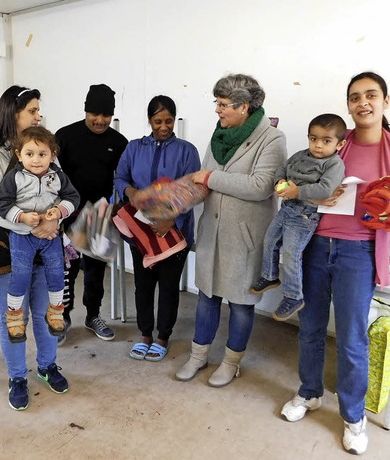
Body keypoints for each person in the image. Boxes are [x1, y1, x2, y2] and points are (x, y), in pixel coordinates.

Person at [280, 72, 390, 456]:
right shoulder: (331, 144)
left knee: (352, 339)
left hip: (359, 254)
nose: (363, 103)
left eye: (371, 95)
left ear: (385, 101)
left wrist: (388, 208)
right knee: (309, 328)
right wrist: (310, 195)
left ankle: (353, 416)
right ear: (348, 105)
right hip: (314, 248)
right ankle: (309, 393)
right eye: (355, 97)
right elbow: (289, 186)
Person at [175, 74, 287, 387]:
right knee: (207, 297)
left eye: (223, 105)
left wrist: (208, 178)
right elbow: (202, 180)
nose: (218, 110)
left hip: (245, 236)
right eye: (218, 103)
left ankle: (230, 362)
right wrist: (176, 196)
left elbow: (261, 186)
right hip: (212, 229)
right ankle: (198, 356)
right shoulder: (219, 136)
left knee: (240, 303)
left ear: (244, 107)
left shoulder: (272, 139)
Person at [0, 86, 69, 411]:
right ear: (14, 113)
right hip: (6, 247)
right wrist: (35, 225)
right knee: (13, 316)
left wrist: (54, 221)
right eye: (32, 110)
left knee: (45, 313)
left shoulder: (42, 148)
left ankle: (47, 366)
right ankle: (17, 376)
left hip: (46, 245)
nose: (38, 116)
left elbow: (59, 195)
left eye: (38, 110)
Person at [114, 95, 200, 361]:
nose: (164, 127)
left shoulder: (187, 150)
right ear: (149, 120)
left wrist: (171, 219)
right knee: (143, 285)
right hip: (141, 231)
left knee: (169, 286)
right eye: (158, 121)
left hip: (175, 231)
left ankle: (162, 336)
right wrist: (130, 193)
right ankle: (145, 335)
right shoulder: (134, 148)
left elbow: (194, 187)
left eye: (169, 121)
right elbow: (120, 176)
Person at [250, 114, 346, 321]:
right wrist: (279, 182)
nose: (318, 145)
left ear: (340, 144)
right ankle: (269, 276)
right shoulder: (301, 155)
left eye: (326, 141)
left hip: (304, 215)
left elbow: (326, 188)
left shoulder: (334, 164)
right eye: (313, 139)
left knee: (292, 254)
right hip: (286, 208)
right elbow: (282, 168)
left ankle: (294, 296)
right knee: (269, 241)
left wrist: (297, 192)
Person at [56, 84, 129, 342]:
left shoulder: (119, 143)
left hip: (99, 216)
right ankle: (62, 317)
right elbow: (53, 176)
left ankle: (93, 316)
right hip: (67, 215)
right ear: (86, 110)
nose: (100, 121)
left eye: (106, 115)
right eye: (94, 114)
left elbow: (122, 177)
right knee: (67, 271)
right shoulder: (64, 136)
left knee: (95, 271)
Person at [0, 126, 80, 342]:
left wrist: (59, 211)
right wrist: (21, 217)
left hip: (50, 238)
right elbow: (0, 204)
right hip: (22, 237)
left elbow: (73, 198)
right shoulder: (14, 177)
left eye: (42, 154)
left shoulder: (58, 176)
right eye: (29, 154)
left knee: (57, 273)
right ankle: (14, 316)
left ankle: (56, 312)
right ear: (18, 154)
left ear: (53, 155)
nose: (36, 160)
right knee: (20, 276)